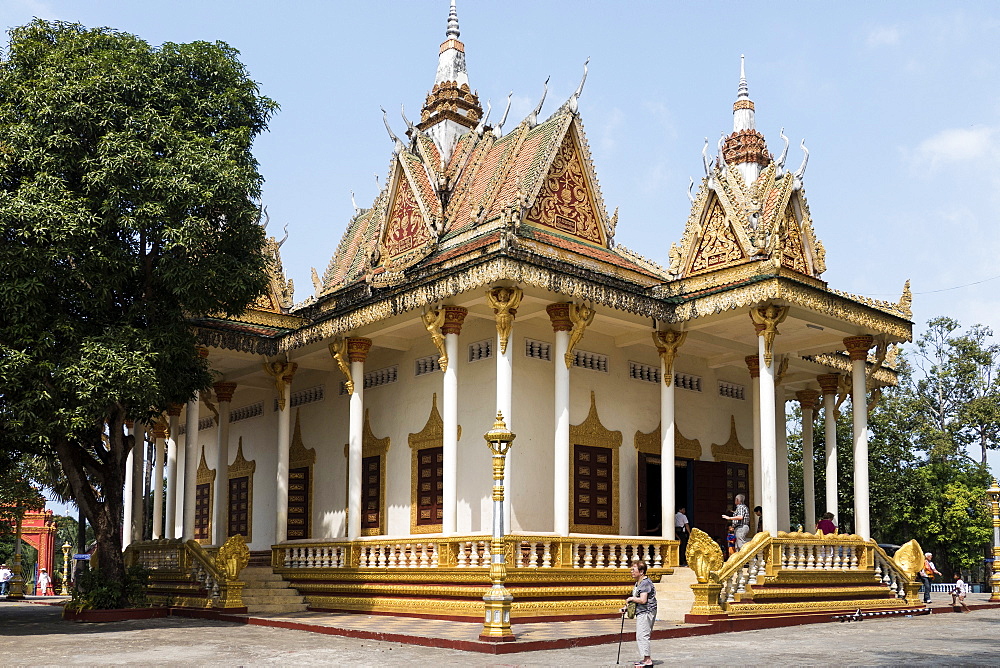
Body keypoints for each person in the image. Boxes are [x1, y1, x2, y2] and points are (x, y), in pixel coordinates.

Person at [621, 560, 656, 667]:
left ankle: (647, 659)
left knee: (643, 635)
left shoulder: (645, 583)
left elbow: (643, 600)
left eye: (633, 569)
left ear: (641, 572)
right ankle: (645, 658)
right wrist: (626, 608)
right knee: (641, 635)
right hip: (641, 611)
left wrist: (631, 598)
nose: (631, 571)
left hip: (646, 611)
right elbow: (637, 600)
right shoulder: (638, 583)